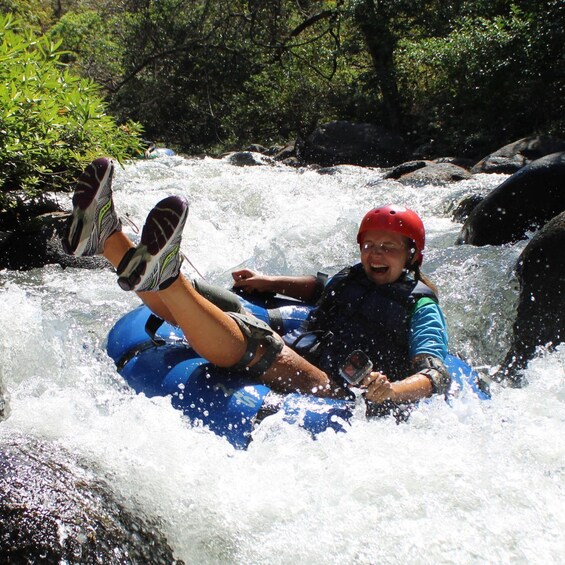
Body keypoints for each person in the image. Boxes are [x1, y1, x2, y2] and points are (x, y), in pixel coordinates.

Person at [62, 157, 451, 415]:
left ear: (411, 255)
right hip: (310, 352)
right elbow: (317, 288)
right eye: (370, 245)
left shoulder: (420, 306)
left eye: (389, 247)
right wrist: (268, 281)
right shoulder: (354, 277)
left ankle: (157, 270)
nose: (376, 254)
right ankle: (108, 238)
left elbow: (435, 375)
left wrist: (391, 391)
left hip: (337, 391)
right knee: (208, 298)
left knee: (258, 342)